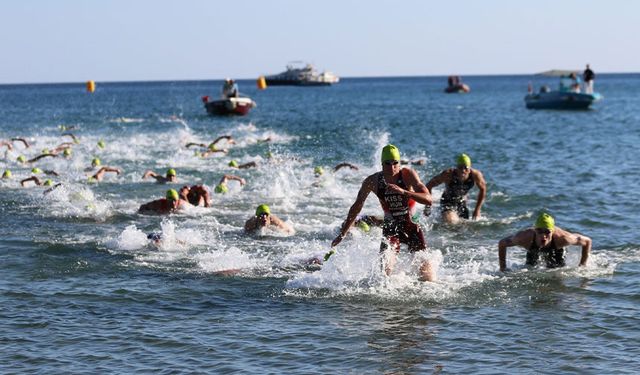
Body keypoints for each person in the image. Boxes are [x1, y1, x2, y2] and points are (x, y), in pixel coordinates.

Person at [331, 144, 436, 282]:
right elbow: (357, 206)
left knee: (428, 279)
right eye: (387, 163)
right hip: (391, 226)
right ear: (382, 164)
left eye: (395, 163)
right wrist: (343, 233)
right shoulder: (373, 181)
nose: (392, 167)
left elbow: (428, 199)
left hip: (411, 226)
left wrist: (404, 192)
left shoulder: (408, 175)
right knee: (383, 274)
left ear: (399, 163)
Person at [498, 213, 592, 272]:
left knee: (556, 271)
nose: (543, 236)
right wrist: (503, 268)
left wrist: (582, 266)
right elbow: (502, 243)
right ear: (535, 231)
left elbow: (587, 241)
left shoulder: (563, 238)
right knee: (530, 270)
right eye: (539, 231)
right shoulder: (524, 238)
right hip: (533, 247)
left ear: (553, 231)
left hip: (556, 249)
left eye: (547, 232)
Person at [424, 153, 487, 223]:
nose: (463, 170)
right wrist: (427, 207)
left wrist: (477, 210)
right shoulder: (448, 174)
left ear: (469, 169)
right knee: (451, 222)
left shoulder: (476, 175)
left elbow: (483, 189)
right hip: (447, 201)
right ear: (456, 168)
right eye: (460, 167)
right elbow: (428, 185)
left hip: (462, 202)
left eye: (466, 168)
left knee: (464, 226)